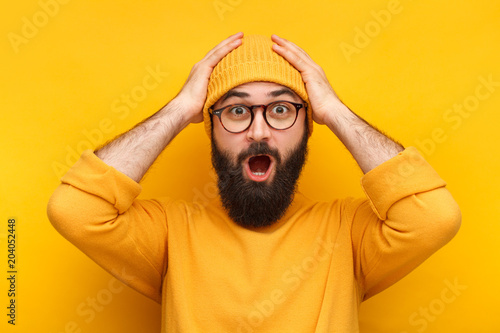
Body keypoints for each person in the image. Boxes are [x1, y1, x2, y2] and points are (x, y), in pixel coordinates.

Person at [47, 32, 461, 332]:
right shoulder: (170, 234)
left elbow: (434, 219)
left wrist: (335, 110)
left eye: (281, 110)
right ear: (210, 129)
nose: (259, 132)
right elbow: (76, 210)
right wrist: (178, 109)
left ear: (307, 127)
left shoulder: (347, 234)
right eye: (236, 112)